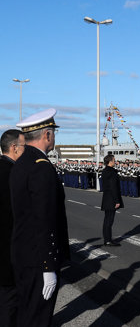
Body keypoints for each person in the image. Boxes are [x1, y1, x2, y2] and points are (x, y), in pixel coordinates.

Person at [10, 108, 70, 326]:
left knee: (26, 314)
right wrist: (48, 266)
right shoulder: (41, 168)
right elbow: (44, 219)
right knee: (37, 318)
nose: (54, 137)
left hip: (23, 254)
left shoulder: (21, 164)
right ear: (47, 135)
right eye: (53, 132)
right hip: (37, 259)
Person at [0, 129, 25, 327]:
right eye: (24, 146)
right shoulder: (14, 174)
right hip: (8, 250)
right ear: (14, 148)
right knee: (10, 304)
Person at [100, 154, 123, 247]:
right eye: (114, 160)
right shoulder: (112, 172)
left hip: (107, 197)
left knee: (107, 220)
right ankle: (108, 240)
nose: (115, 162)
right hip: (111, 199)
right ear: (110, 161)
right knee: (109, 221)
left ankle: (107, 239)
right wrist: (117, 201)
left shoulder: (105, 171)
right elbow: (113, 187)